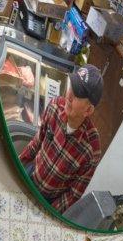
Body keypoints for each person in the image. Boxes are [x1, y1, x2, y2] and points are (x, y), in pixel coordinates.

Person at [18, 65, 103, 213]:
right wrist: (16, 164)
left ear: (88, 110)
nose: (69, 96)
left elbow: (73, 193)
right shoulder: (54, 107)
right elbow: (37, 141)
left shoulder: (91, 149)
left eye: (78, 94)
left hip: (48, 200)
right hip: (31, 175)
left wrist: (48, 213)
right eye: (72, 87)